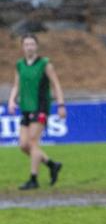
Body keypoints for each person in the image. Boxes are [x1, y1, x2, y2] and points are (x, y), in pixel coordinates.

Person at [7, 33, 65, 190]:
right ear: (22, 47)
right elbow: (16, 86)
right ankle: (52, 164)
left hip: (40, 108)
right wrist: (12, 100)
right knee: (23, 145)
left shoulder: (45, 64)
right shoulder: (20, 65)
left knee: (32, 142)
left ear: (36, 46)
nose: (29, 47)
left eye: (32, 44)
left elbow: (56, 85)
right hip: (25, 108)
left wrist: (60, 104)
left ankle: (33, 179)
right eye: (26, 44)